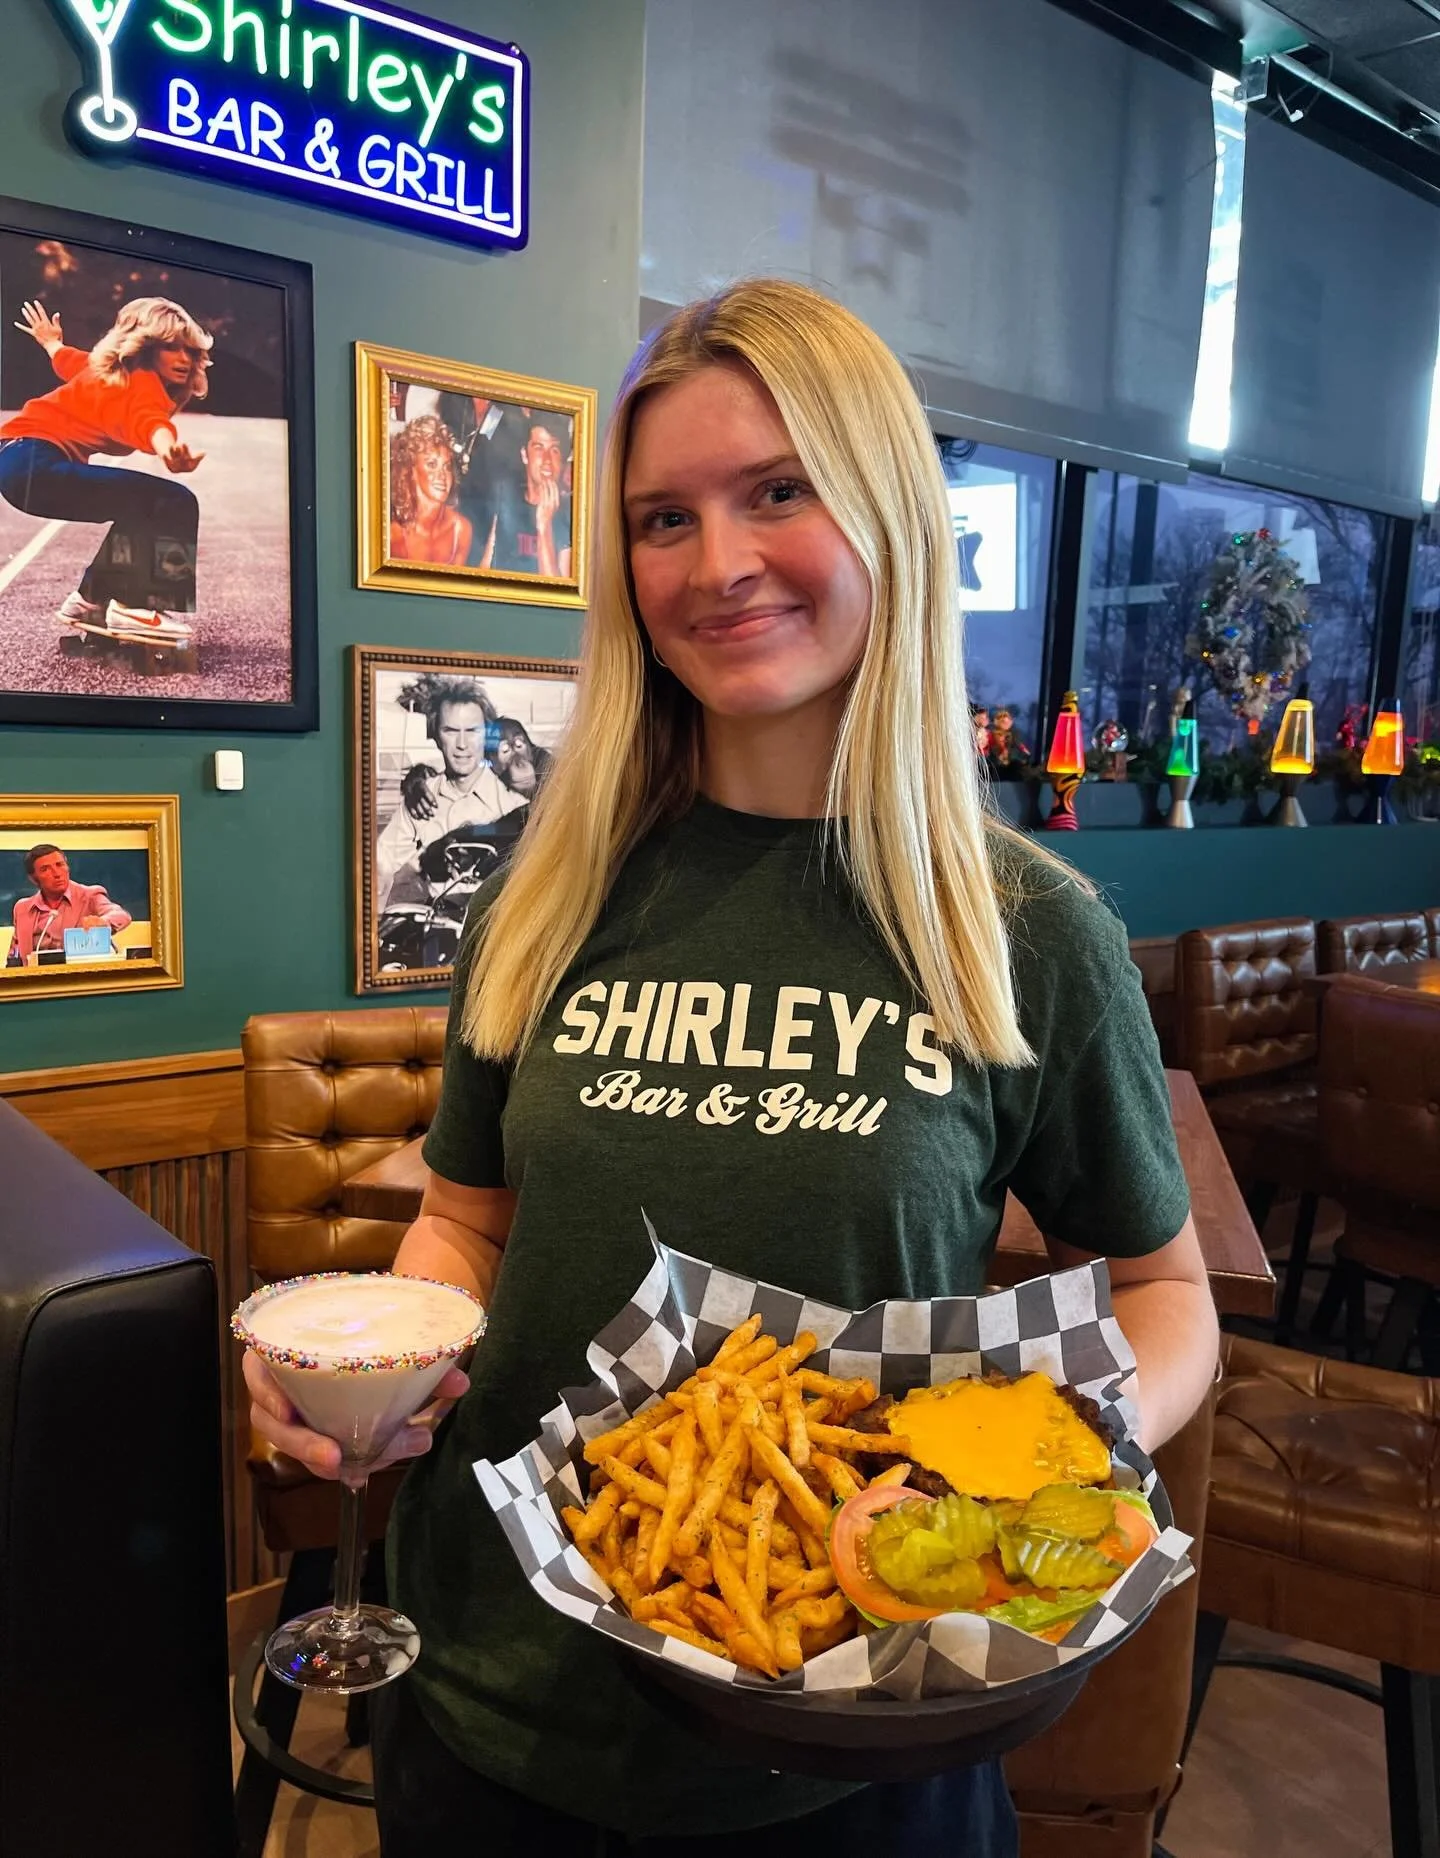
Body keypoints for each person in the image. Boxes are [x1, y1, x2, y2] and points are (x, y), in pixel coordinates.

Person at [245, 279, 1218, 1855]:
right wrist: (380, 1373)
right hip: (495, 1692)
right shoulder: (545, 889)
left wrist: (1032, 1469)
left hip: (851, 1716)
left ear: (889, 511)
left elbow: (1170, 1300)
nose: (718, 564)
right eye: (660, 518)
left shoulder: (1027, 927)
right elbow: (467, 1225)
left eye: (779, 491)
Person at [0, 296, 211, 640]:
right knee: (174, 501)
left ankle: (90, 600)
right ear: (145, 347)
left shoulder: (103, 369)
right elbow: (150, 420)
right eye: (172, 348)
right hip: (35, 462)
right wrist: (168, 450)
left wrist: (50, 341)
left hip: (17, 462)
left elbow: (66, 360)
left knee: (138, 507)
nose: (184, 359)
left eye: (190, 351)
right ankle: (137, 606)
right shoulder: (142, 382)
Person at [375, 675, 528, 909]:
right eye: (450, 730)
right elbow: (381, 867)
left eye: (472, 731)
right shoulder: (422, 799)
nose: (462, 744)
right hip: (436, 928)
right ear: (435, 735)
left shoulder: (515, 798)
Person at [479, 413, 572, 578]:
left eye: (555, 450)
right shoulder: (507, 499)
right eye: (538, 448)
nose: (547, 460)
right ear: (524, 455)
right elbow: (485, 568)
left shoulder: (570, 513)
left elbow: (559, 595)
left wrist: (544, 525)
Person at [7, 843, 132, 965]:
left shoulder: (89, 895)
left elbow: (120, 915)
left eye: (60, 865)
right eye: (45, 869)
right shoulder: (22, 908)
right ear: (34, 878)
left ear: (68, 867)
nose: (57, 873)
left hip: (79, 978)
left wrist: (103, 922)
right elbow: (14, 956)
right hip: (35, 980)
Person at [389, 415, 473, 566]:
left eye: (446, 467)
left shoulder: (460, 530)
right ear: (411, 469)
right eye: (432, 464)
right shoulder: (391, 536)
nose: (442, 476)